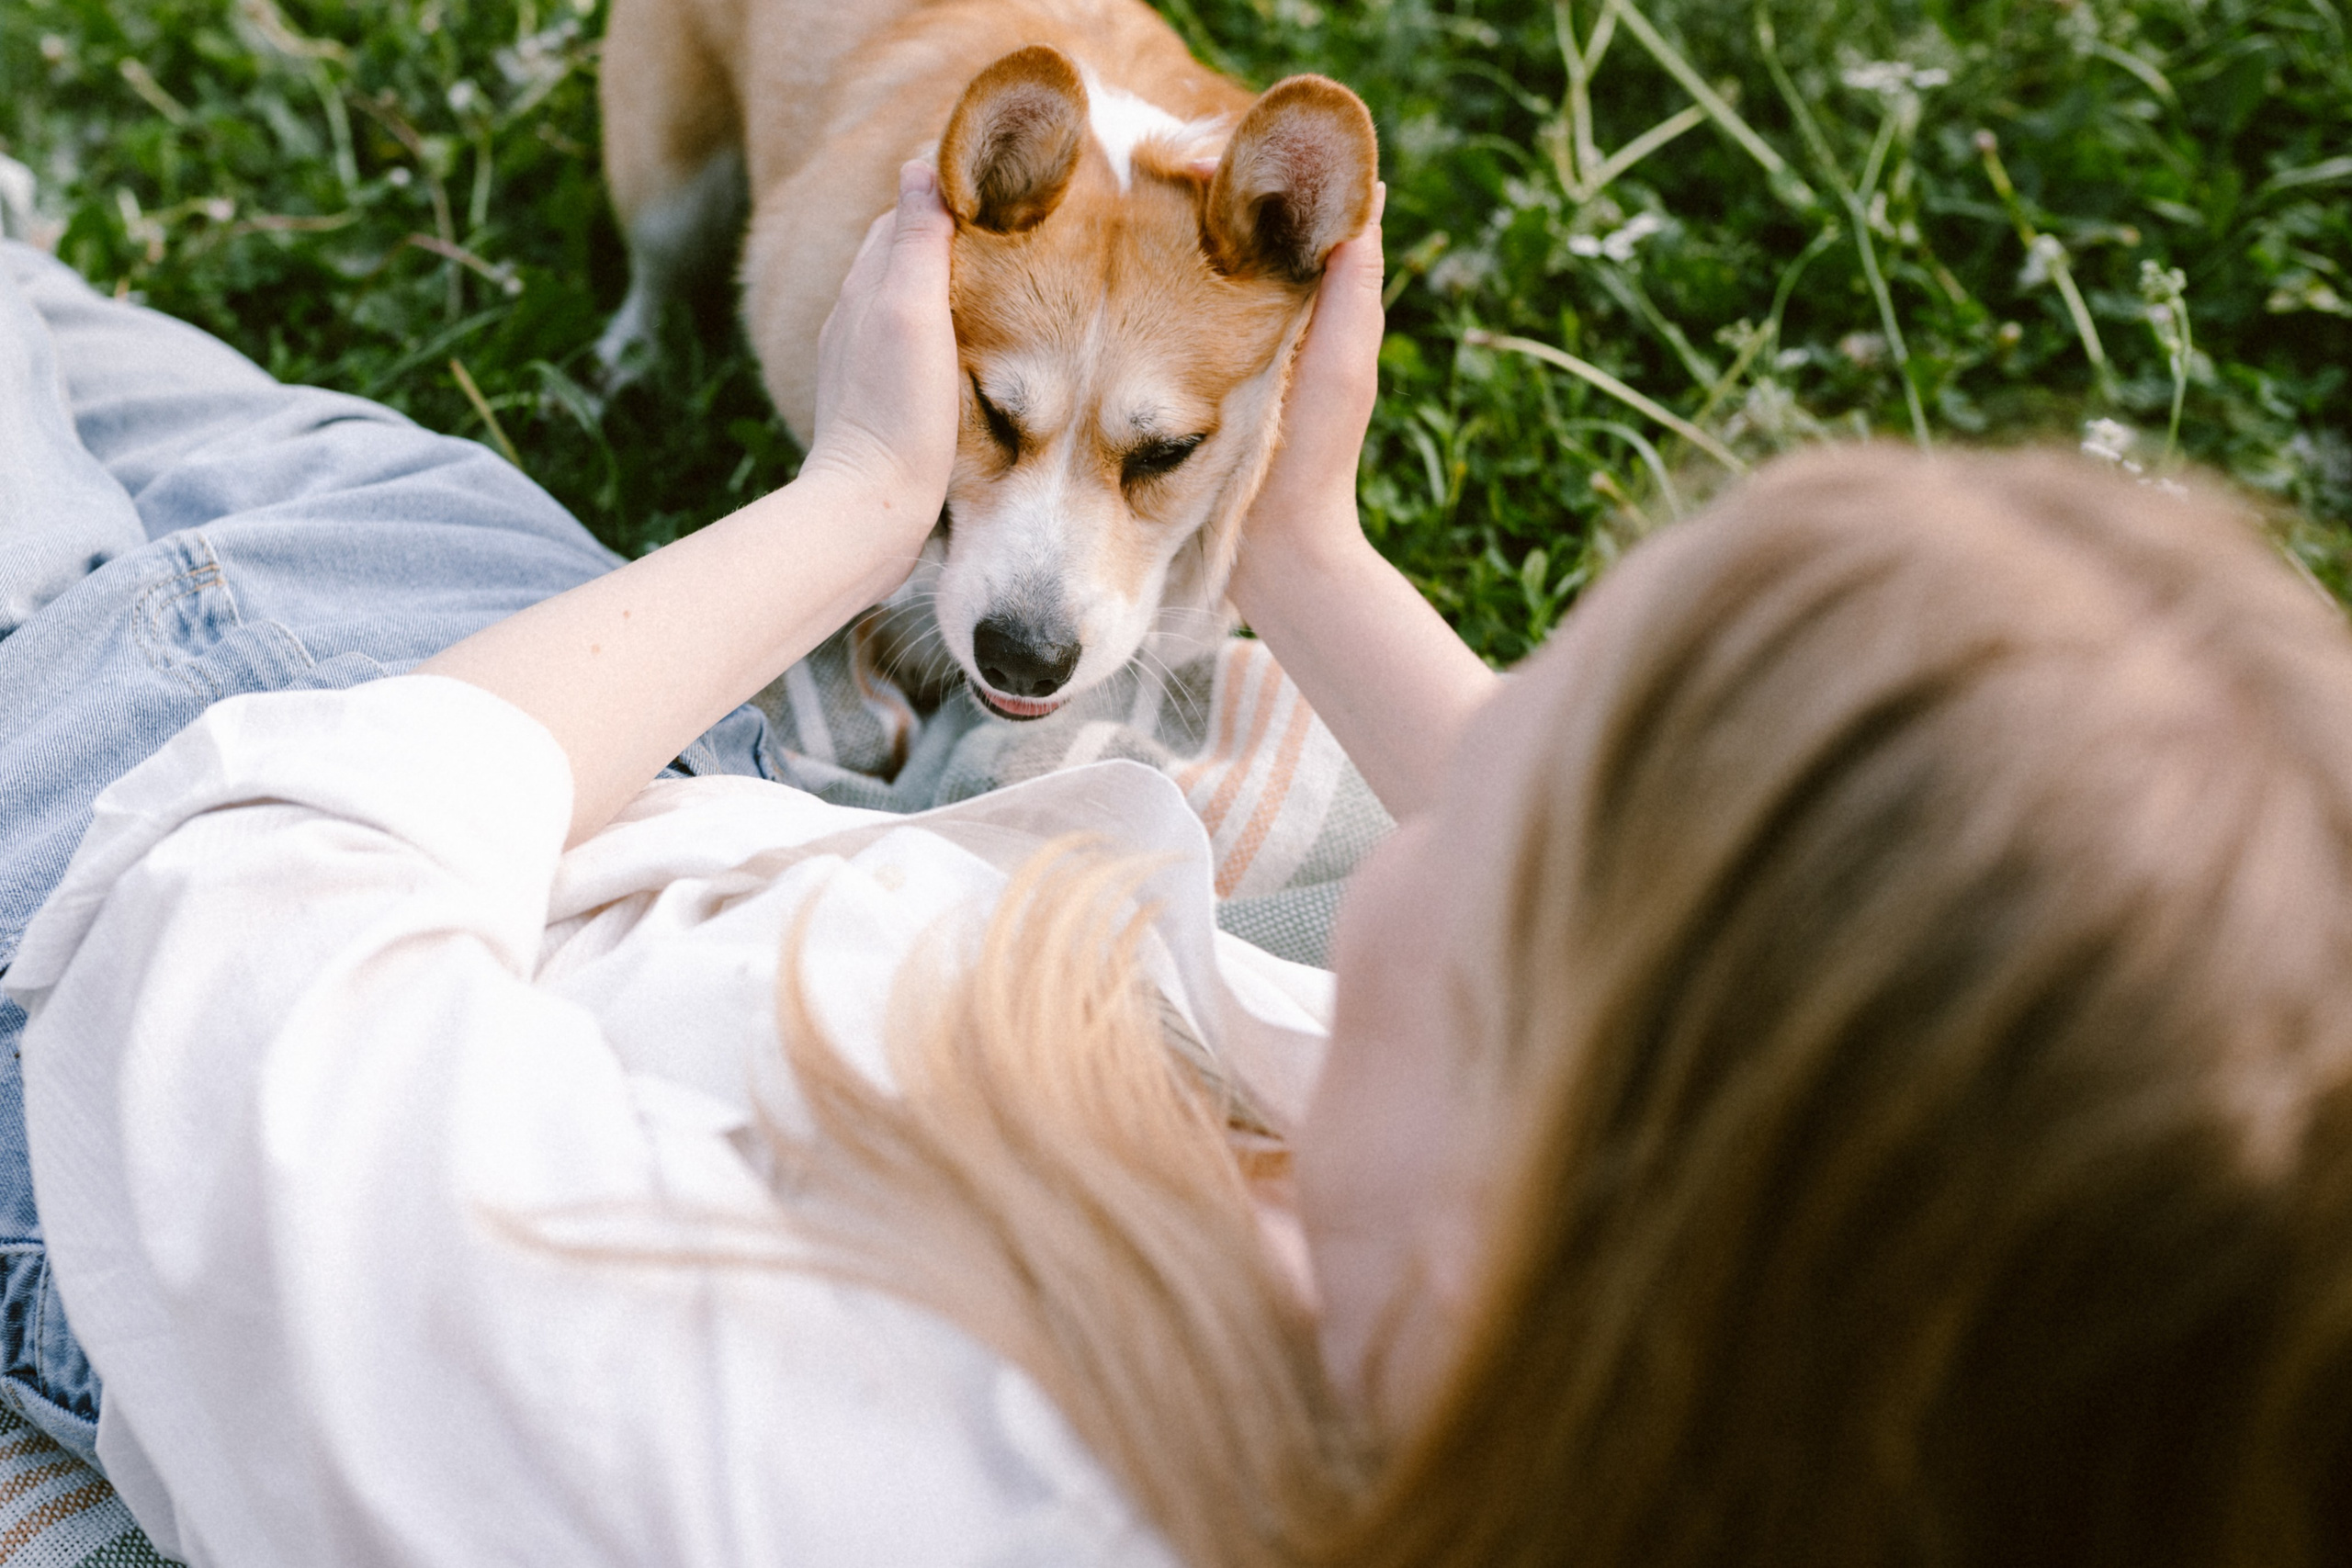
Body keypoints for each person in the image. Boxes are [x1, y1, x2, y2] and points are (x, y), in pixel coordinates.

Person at [4, 153, 2350, 1568]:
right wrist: (1307, 561)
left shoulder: (816, 1457)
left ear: (1597, 1107)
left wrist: (844, 508)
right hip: (619, 753)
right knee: (87, 329)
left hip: (169, 820)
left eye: (1543, 767)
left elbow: (223, 926)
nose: (1470, 736)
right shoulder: (1588, 1310)